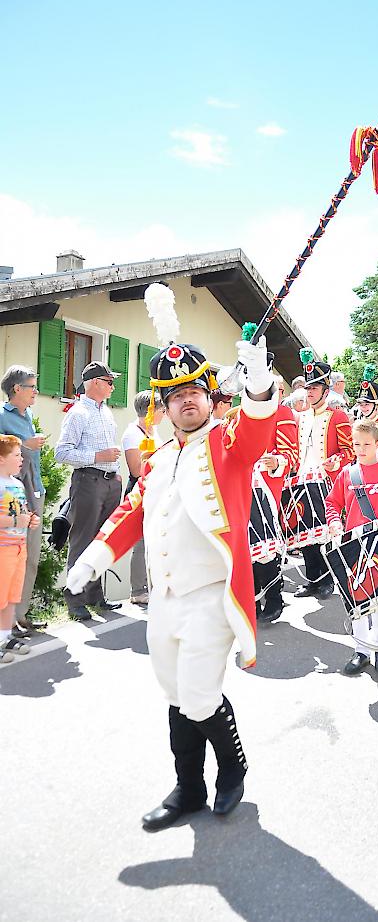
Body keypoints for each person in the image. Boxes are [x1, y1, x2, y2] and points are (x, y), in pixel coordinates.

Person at [65, 321, 278, 828]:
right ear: (163, 406)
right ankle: (188, 788)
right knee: (177, 694)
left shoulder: (230, 444)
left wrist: (259, 382)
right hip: (165, 599)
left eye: (194, 393)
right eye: (175, 395)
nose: (187, 402)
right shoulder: (159, 460)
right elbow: (131, 513)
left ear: (210, 397)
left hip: (211, 596)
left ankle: (232, 770)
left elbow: (257, 426)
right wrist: (92, 559)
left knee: (201, 694)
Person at [325, 419, 378, 675]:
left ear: (377, 444)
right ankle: (361, 650)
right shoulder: (346, 474)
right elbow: (332, 503)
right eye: (356, 444)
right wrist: (334, 524)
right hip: (352, 542)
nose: (361, 449)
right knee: (357, 599)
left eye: (366, 444)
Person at [54, 361, 123, 620]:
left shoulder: (106, 412)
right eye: (109, 382)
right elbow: (62, 452)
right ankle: (74, 598)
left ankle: (96, 596)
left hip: (107, 482)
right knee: (82, 539)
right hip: (88, 482)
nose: (113, 387)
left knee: (102, 540)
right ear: (95, 382)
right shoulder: (78, 413)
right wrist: (98, 456)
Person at [294, 350, 353, 599]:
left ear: (326, 390)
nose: (310, 392)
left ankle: (329, 579)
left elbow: (349, 451)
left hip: (326, 481)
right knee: (305, 531)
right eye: (308, 387)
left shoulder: (338, 416)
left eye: (315, 387)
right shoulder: (301, 417)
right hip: (302, 480)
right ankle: (312, 579)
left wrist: (335, 462)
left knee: (326, 532)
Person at [0, 365, 48, 633]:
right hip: (10, 496)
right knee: (8, 557)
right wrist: (23, 443)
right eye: (32, 386)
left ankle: (20, 616)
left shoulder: (27, 413)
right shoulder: (1, 415)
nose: (36, 392)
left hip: (33, 491)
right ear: (17, 389)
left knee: (29, 556)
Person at [252, 370, 299, 624]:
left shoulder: (283, 413)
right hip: (246, 485)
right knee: (249, 545)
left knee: (265, 544)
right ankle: (252, 597)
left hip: (268, 484)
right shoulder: (246, 412)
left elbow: (291, 456)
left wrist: (276, 461)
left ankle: (273, 597)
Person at [121, 391, 164, 606]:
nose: (163, 414)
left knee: (155, 538)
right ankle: (138, 589)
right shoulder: (132, 434)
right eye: (160, 410)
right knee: (141, 541)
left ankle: (152, 585)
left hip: (156, 487)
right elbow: (137, 469)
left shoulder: (153, 431)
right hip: (140, 488)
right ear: (150, 412)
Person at [0, 435, 40, 662]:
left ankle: (5, 637)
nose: (21, 459)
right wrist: (16, 522)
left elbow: (21, 513)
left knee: (11, 596)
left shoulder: (17, 485)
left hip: (18, 547)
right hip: (2, 549)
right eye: (16, 455)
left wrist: (29, 521)